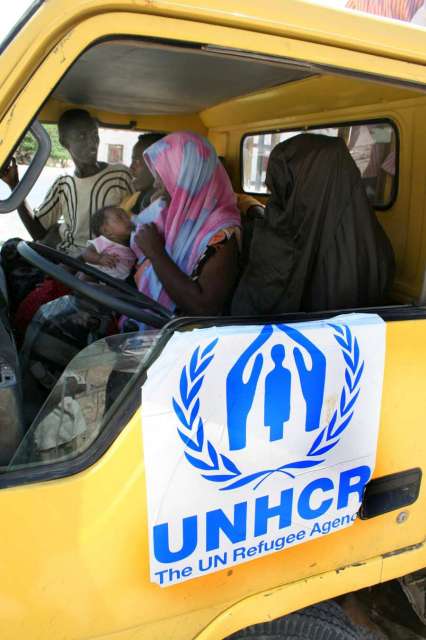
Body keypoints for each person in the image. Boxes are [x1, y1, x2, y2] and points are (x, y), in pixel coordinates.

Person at [231, 133, 395, 315]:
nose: (274, 200)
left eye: (280, 188)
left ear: (300, 187)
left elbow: (249, 309)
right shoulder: (379, 246)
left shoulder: (278, 242)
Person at [129, 131, 241, 320]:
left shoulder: (223, 233)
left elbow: (204, 307)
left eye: (163, 177)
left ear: (188, 177)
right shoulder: (174, 215)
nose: (157, 185)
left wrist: (156, 252)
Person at [1, 109, 133, 256]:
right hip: (67, 261)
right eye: (82, 137)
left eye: (95, 135)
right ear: (64, 142)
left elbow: (137, 223)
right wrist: (14, 185)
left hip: (105, 264)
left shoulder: (120, 175)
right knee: (10, 249)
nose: (92, 143)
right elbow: (38, 232)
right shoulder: (63, 184)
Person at [81, 206, 136, 280]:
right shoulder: (103, 241)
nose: (127, 220)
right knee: (85, 277)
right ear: (107, 231)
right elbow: (86, 252)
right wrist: (100, 259)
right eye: (120, 218)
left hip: (117, 281)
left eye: (127, 216)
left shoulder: (132, 240)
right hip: (97, 273)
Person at [121, 132, 166, 214]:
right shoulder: (138, 197)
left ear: (160, 164)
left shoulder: (154, 200)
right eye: (132, 161)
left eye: (137, 161)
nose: (131, 167)